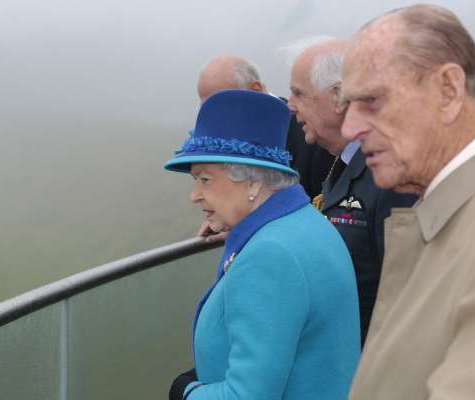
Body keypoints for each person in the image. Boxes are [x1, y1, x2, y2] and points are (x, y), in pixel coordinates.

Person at [340, 4, 475, 399]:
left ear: (448, 90)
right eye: (347, 105)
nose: (349, 128)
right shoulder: (459, 210)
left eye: (371, 101)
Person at [165, 89, 360, 399]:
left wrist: (186, 392)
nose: (195, 195)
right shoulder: (304, 223)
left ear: (253, 182)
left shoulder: (271, 255)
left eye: (204, 179)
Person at [286, 37, 416, 345]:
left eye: (298, 94)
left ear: (339, 98)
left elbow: (410, 300)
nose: (290, 106)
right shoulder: (345, 162)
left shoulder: (394, 175)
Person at [197, 54, 335, 199]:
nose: (213, 118)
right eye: (206, 109)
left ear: (255, 90)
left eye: (220, 106)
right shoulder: (220, 142)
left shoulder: (310, 133)